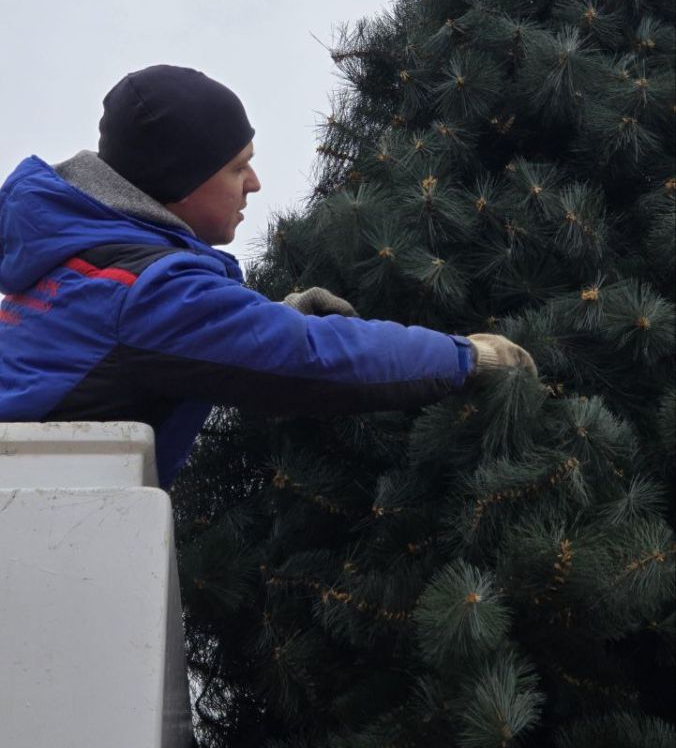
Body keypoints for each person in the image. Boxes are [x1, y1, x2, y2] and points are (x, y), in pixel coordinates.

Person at [0, 65, 536, 488]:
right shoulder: (144, 293)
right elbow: (311, 358)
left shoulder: (81, 266)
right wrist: (465, 356)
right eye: (236, 167)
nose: (253, 183)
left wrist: (261, 319)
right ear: (178, 183)